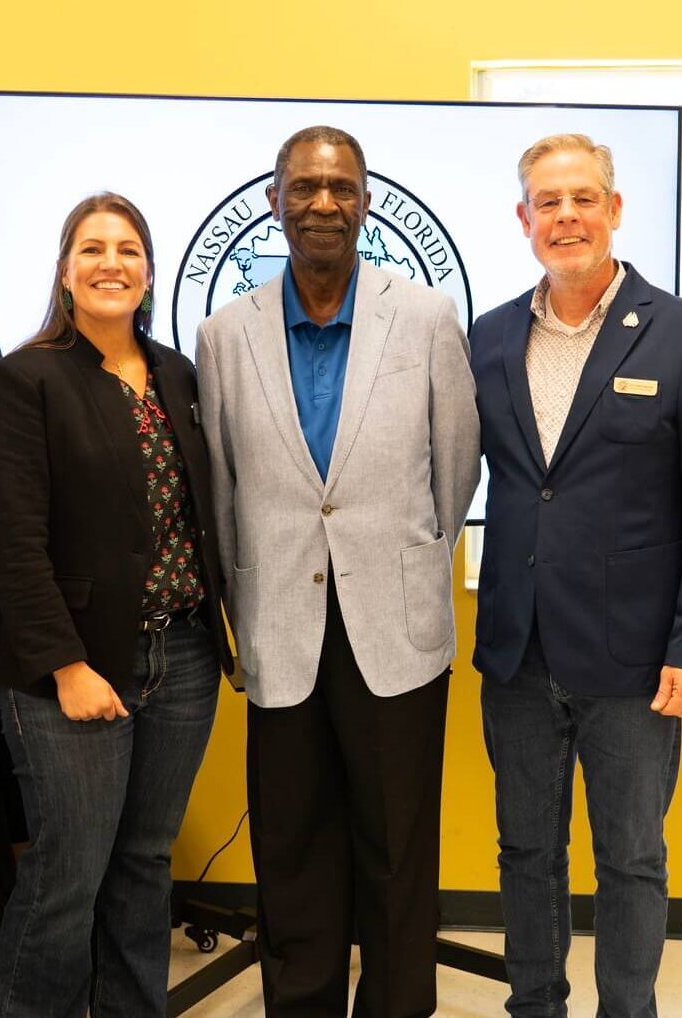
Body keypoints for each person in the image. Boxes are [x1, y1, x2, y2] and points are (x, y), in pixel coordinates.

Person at [195, 125, 480, 1018]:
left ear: (365, 201)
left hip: (395, 626)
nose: (323, 202)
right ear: (274, 201)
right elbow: (221, 480)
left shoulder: (425, 317)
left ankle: (397, 1005)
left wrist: (399, 555)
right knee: (291, 842)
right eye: (304, 186)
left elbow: (455, 464)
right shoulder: (223, 334)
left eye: (341, 186)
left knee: (397, 844)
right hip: (279, 623)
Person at [469, 132, 682, 1018]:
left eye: (583, 198)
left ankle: (629, 1010)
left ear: (616, 210)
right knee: (524, 852)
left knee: (631, 857)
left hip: (637, 658)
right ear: (523, 220)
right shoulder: (491, 335)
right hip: (518, 648)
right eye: (547, 203)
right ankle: (535, 1005)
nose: (567, 217)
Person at [0, 192, 232, 1017]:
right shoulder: (25, 379)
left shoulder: (177, 375)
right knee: (66, 873)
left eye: (127, 249)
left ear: (150, 272)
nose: (110, 263)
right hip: (73, 667)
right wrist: (68, 666)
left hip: (181, 657)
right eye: (92, 249)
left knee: (144, 862)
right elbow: (13, 546)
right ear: (64, 270)